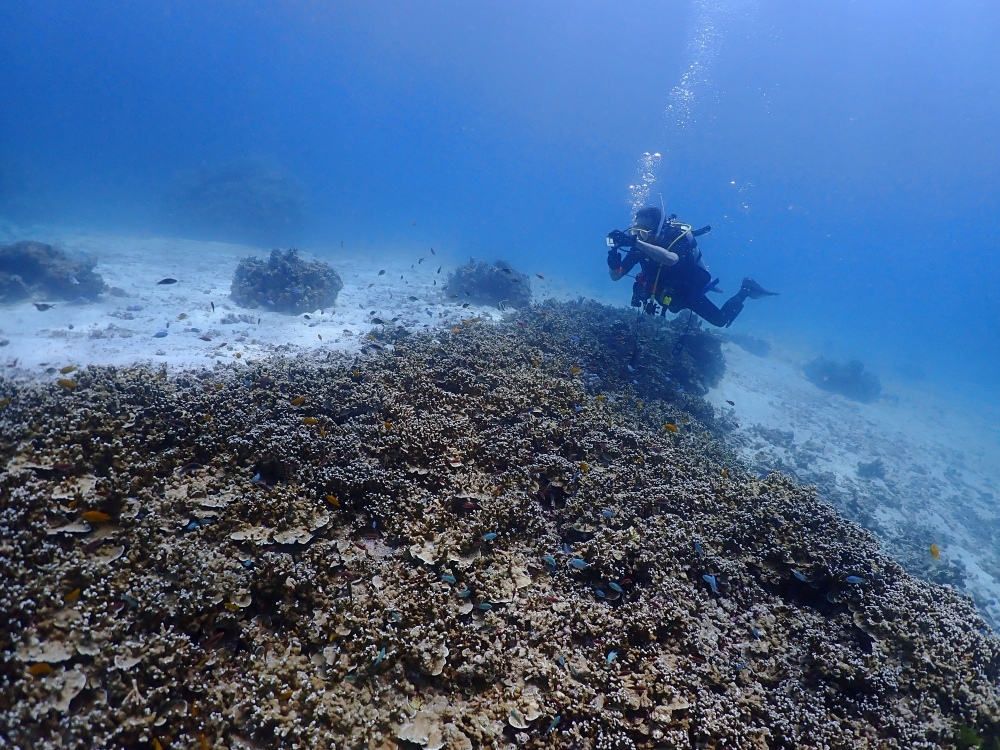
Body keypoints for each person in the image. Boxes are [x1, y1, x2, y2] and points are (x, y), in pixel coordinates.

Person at [606, 206, 776, 327]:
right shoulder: (639, 246)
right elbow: (616, 276)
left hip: (687, 290)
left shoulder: (675, 238)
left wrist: (636, 243)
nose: (639, 237)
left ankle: (745, 289)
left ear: (658, 229)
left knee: (720, 320)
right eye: (636, 231)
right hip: (664, 292)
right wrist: (614, 261)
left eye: (644, 232)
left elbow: (671, 259)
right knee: (673, 308)